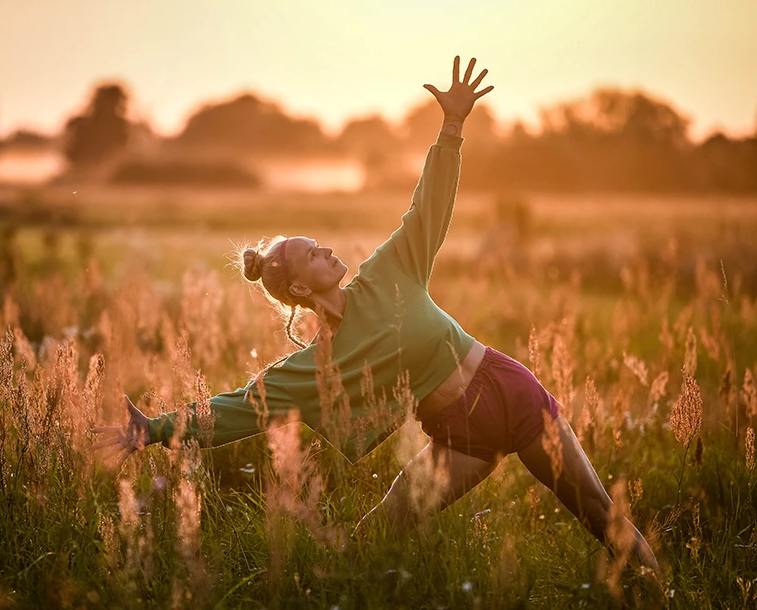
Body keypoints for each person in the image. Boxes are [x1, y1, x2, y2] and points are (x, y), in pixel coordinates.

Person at [93, 57, 658, 570]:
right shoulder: (316, 366)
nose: (329, 250)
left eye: (322, 244)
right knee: (372, 541)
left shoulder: (389, 272)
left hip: (511, 393)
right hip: (459, 438)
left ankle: (669, 604)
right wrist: (153, 431)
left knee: (601, 518)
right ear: (296, 286)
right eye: (314, 254)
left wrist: (453, 128)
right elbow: (238, 408)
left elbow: (427, 206)